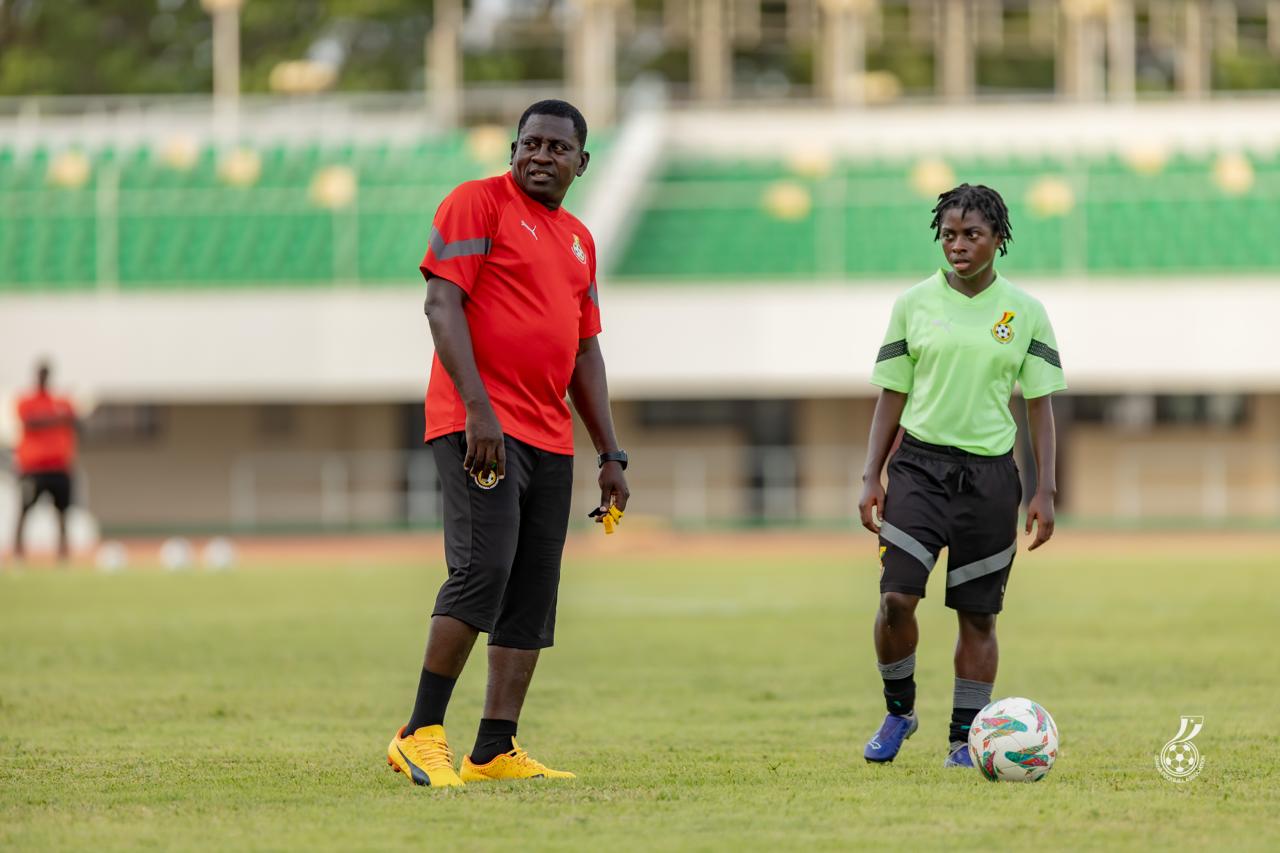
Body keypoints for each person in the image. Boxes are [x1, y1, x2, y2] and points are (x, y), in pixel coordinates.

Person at [387, 100, 631, 788]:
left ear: (582, 163)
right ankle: (419, 731)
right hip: (479, 427)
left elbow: (585, 351)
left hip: (548, 436)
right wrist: (478, 411)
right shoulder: (477, 203)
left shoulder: (580, 239)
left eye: (559, 148)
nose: (542, 156)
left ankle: (494, 747)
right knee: (482, 569)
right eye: (531, 143)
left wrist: (610, 453)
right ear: (513, 147)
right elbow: (441, 304)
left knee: (531, 589)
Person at [857, 184, 1066, 768]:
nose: (958, 245)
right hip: (919, 469)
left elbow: (1040, 405)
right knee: (897, 599)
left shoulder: (1025, 312)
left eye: (972, 234)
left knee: (978, 614)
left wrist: (1046, 489)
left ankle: (964, 740)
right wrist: (870, 474)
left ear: (999, 238)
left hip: (992, 478)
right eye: (948, 234)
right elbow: (891, 393)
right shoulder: (912, 304)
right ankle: (899, 711)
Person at [13, 361, 79, 562]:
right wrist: (58, 418)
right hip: (34, 468)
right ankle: (18, 554)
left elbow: (76, 421)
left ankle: (63, 554)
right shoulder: (26, 401)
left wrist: (58, 417)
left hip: (59, 467)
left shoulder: (62, 402)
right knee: (24, 511)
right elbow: (31, 422)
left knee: (62, 513)